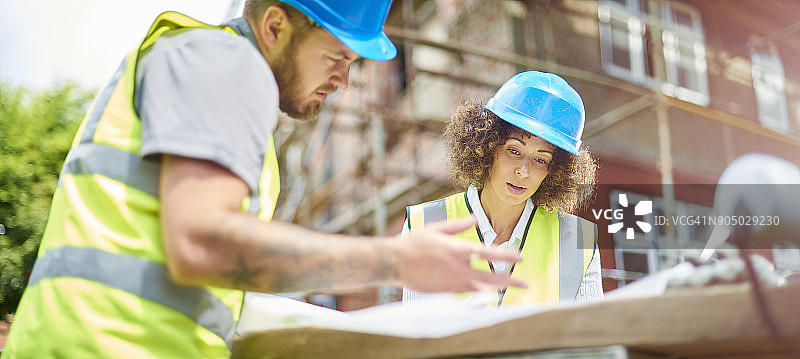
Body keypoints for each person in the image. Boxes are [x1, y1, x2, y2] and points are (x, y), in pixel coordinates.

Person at [3, 1, 526, 357]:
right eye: (336, 56)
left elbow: (194, 263)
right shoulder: (224, 61)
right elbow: (203, 245)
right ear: (275, 26)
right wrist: (395, 260)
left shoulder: (215, 83)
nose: (344, 80)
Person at [403, 71, 603, 307]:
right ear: (488, 146)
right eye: (514, 151)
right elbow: (415, 326)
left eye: (540, 160)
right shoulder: (424, 224)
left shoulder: (578, 240)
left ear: (555, 171)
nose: (524, 171)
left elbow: (594, 329)